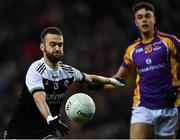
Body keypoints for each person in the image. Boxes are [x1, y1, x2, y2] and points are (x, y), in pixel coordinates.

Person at [4, 27, 125, 139]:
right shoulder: (36, 69)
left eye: (60, 45)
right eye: (52, 44)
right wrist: (50, 118)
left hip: (46, 133)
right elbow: (39, 98)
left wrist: (111, 80)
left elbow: (90, 79)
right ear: (42, 47)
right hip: (19, 132)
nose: (57, 48)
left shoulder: (67, 71)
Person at [108, 2, 180, 139]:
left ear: (154, 19)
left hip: (169, 106)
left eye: (147, 16)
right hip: (143, 106)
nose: (144, 19)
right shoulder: (132, 50)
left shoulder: (170, 41)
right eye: (140, 17)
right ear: (136, 22)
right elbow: (119, 78)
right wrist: (98, 83)